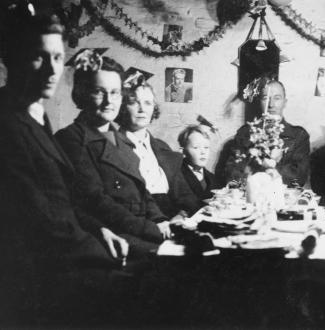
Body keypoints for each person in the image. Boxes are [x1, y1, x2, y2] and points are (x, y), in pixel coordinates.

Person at [0, 8, 134, 324]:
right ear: (10, 58)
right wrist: (99, 255)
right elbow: (41, 222)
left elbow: (62, 203)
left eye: (59, 58)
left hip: (70, 255)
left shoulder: (36, 114)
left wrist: (99, 230)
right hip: (42, 279)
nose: (51, 70)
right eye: (38, 56)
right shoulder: (7, 123)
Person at [56, 51, 173, 253]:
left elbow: (141, 190)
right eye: (99, 92)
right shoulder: (71, 139)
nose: (109, 101)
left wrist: (160, 219)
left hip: (140, 229)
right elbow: (98, 202)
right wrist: (152, 229)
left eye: (115, 92)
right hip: (113, 237)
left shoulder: (122, 139)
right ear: (83, 93)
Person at [116, 71, 202, 218]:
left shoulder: (162, 147)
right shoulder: (113, 147)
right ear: (122, 107)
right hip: (141, 222)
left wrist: (185, 214)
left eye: (148, 103)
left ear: (154, 109)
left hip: (175, 219)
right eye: (133, 102)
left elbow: (185, 195)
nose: (142, 109)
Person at [219, 78, 310, 186]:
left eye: (277, 98)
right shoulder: (245, 133)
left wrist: (272, 165)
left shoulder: (299, 135)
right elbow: (231, 172)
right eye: (265, 98)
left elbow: (298, 177)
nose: (271, 104)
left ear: (285, 102)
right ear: (260, 102)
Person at [178, 125, 219, 201]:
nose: (203, 152)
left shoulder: (212, 178)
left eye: (206, 147)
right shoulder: (177, 177)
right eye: (196, 147)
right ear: (183, 152)